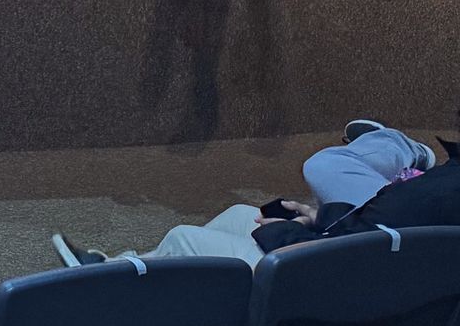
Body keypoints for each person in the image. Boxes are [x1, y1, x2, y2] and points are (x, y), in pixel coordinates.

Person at [54, 118, 450, 268]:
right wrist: (321, 217)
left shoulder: (438, 195)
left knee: (184, 239)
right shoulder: (441, 189)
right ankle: (120, 267)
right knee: (240, 214)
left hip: (331, 276)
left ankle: (116, 284)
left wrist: (297, 232)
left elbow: (371, 250)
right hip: (351, 245)